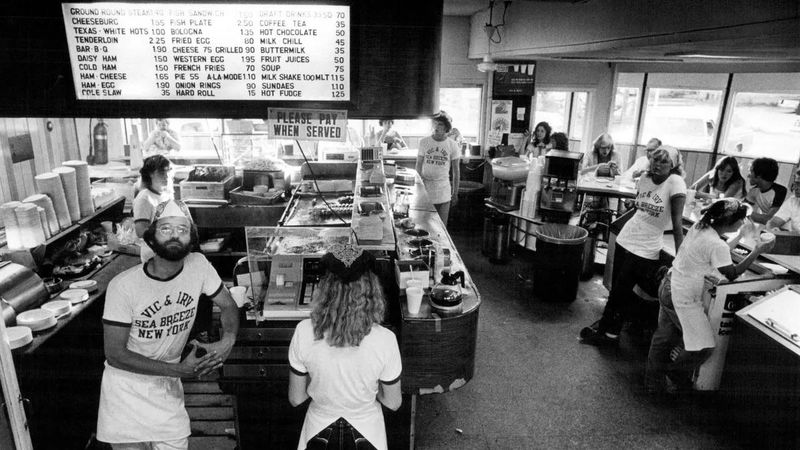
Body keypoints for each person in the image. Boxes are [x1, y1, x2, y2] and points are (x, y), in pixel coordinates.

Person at [97, 199, 240, 449]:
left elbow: (228, 305)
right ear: (151, 238)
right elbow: (116, 354)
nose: (174, 235)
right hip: (125, 392)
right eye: (165, 229)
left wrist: (228, 340)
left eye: (182, 230)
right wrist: (180, 371)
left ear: (191, 239)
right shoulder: (124, 286)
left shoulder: (199, 265)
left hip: (166, 389)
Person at [645, 199, 773, 395]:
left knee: (663, 337)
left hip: (669, 284)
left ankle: (653, 384)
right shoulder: (715, 243)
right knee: (704, 346)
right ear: (730, 221)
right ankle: (674, 375)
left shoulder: (701, 227)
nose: (744, 222)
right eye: (742, 219)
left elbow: (718, 251)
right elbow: (732, 273)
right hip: (682, 296)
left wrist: (739, 236)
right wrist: (756, 251)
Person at [288, 244, 402, 450]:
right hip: (368, 431)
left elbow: (296, 398)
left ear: (324, 288)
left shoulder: (303, 331)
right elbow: (393, 402)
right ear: (371, 289)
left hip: (317, 430)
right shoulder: (386, 339)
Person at [581, 146, 686, 345]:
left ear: (673, 165)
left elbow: (677, 222)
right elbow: (640, 208)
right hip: (626, 238)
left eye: (664, 161)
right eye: (655, 159)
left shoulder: (675, 182)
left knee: (622, 289)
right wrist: (628, 210)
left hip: (646, 247)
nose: (658, 164)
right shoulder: (645, 179)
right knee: (617, 290)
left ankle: (605, 330)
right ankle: (610, 330)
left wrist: (680, 257)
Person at [416, 112, 461, 225]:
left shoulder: (452, 145)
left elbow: (456, 171)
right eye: (434, 123)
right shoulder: (424, 142)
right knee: (424, 225)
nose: (436, 126)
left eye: (440, 124)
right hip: (426, 188)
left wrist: (455, 192)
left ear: (446, 127)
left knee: (442, 228)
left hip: (443, 190)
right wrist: (418, 187)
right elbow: (418, 165)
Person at [133, 155, 174, 263]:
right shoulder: (144, 198)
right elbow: (141, 231)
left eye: (167, 172)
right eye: (161, 173)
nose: (166, 177)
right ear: (150, 175)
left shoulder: (164, 194)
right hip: (154, 254)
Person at [745, 157, 786, 224]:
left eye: (751, 171)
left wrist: (743, 212)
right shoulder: (754, 191)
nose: (748, 175)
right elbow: (743, 206)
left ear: (759, 175)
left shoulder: (780, 192)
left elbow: (768, 219)